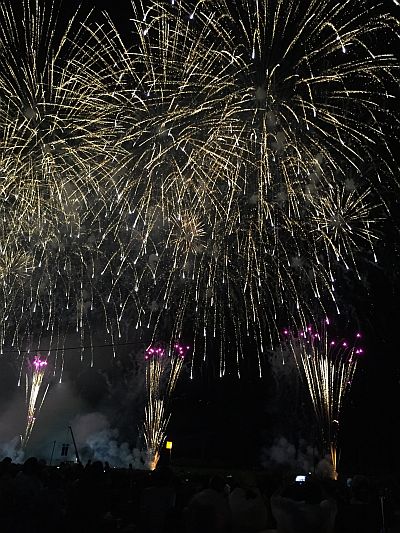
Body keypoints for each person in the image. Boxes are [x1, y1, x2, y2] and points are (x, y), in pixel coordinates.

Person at [270, 475, 337, 533]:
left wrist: (286, 484)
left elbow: (274, 497)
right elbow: (331, 501)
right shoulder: (324, 511)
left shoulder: (285, 509)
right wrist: (319, 484)